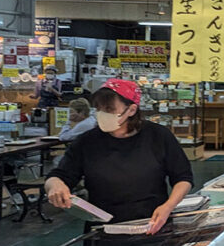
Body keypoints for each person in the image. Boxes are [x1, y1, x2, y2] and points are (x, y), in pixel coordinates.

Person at [44, 79, 192, 233]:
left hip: (152, 223)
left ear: (132, 110)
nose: (102, 114)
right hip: (103, 227)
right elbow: (58, 175)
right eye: (98, 108)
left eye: (109, 109)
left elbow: (183, 177)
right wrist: (55, 185)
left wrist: (168, 207)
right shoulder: (87, 141)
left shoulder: (158, 136)